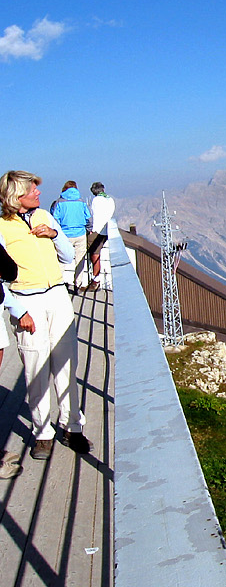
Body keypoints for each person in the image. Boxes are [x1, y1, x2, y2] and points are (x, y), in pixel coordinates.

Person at [0, 170, 82, 460]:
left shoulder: (45, 216)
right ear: (16, 196)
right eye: (32, 190)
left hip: (57, 295)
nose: (38, 194)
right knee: (36, 369)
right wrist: (17, 310)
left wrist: (55, 234)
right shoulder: (1, 227)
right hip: (27, 301)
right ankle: (43, 433)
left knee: (65, 361)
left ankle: (72, 425)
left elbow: (68, 257)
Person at [49, 180, 89, 290]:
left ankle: (57, 284)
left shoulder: (59, 202)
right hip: (80, 234)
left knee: (61, 259)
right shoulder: (81, 202)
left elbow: (55, 219)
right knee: (80, 260)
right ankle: (78, 284)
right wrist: (88, 228)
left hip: (65, 235)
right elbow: (88, 218)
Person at [86, 182, 116, 290]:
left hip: (97, 230)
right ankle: (95, 277)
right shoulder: (110, 199)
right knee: (96, 253)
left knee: (94, 253)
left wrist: (92, 229)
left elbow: (94, 216)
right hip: (106, 230)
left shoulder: (96, 200)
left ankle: (95, 279)